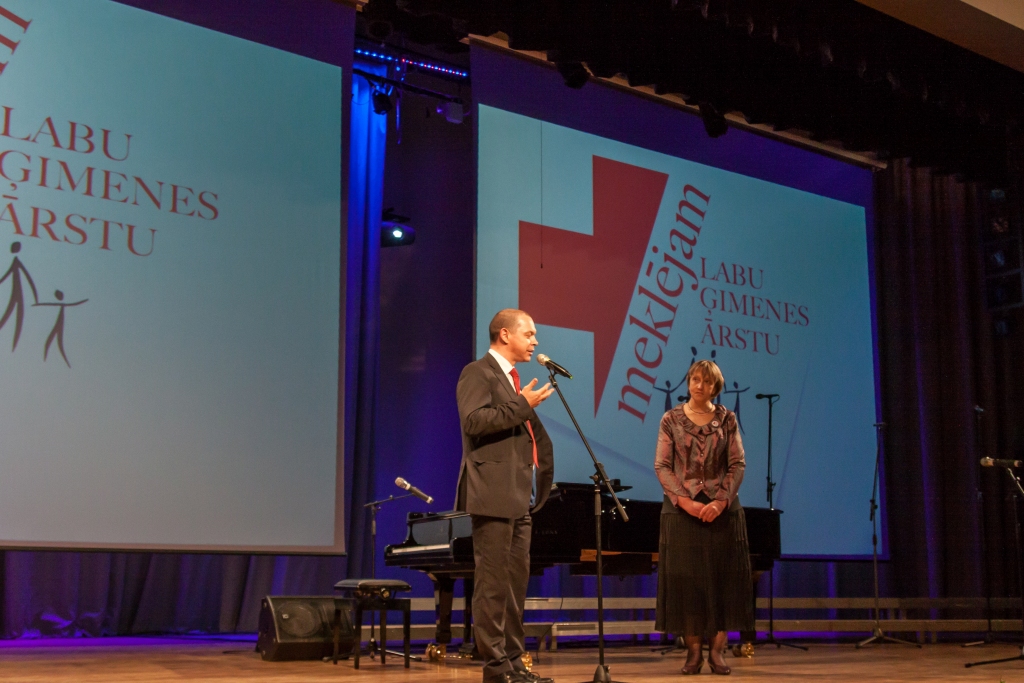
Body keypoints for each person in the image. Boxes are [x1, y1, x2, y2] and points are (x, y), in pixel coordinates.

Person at [455, 309, 556, 683]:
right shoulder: (477, 372)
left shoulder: (512, 381)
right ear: (503, 334)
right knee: (493, 587)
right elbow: (474, 421)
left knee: (515, 587)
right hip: (492, 495)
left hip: (517, 498)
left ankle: (515, 662)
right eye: (528, 334)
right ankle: (495, 668)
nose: (535, 341)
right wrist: (522, 405)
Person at [654, 359, 753, 676]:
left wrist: (721, 501)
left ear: (715, 387)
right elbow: (662, 466)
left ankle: (718, 654)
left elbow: (737, 464)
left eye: (706, 381)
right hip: (682, 514)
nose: (699, 385)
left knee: (723, 584)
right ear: (688, 382)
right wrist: (687, 503)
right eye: (695, 379)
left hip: (723, 513)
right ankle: (693, 654)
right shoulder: (670, 419)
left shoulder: (727, 419)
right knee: (688, 587)